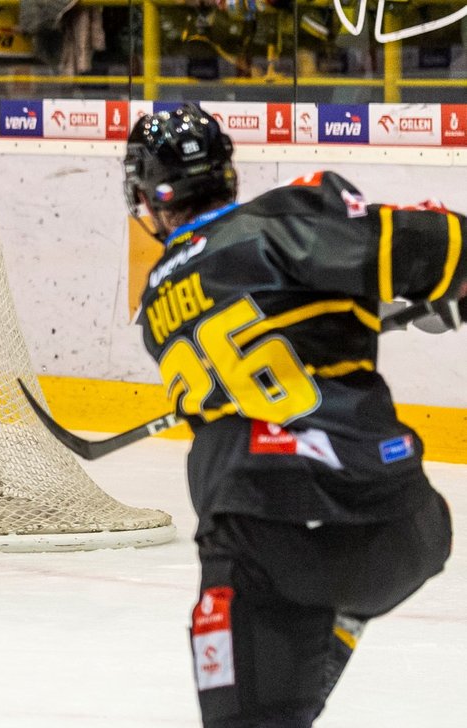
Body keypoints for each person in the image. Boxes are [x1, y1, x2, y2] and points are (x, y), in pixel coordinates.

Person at [123, 103, 455, 727]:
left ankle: (313, 636)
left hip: (260, 528)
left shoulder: (158, 303)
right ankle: (342, 613)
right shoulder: (289, 214)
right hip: (399, 525)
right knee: (419, 531)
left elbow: (266, 326)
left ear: (152, 196)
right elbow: (437, 247)